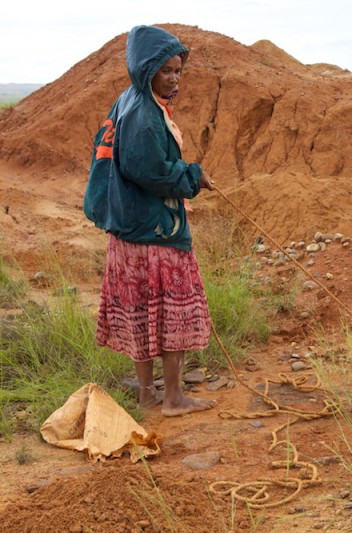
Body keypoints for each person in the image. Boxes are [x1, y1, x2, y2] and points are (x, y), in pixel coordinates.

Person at [83, 25, 216, 417]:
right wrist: (194, 176)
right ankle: (174, 398)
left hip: (128, 231)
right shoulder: (143, 113)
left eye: (177, 70)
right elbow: (151, 170)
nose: (174, 78)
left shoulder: (128, 101)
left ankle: (147, 393)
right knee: (172, 311)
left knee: (142, 312)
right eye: (165, 71)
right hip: (154, 232)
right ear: (146, 69)